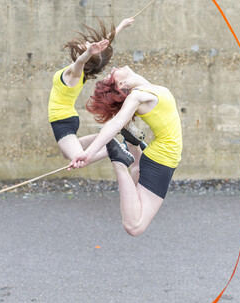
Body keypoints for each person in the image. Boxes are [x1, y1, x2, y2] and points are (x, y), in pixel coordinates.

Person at [70, 66, 182, 236]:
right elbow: (116, 124)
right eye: (111, 74)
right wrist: (88, 153)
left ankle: (130, 148)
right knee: (134, 226)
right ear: (121, 83)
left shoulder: (148, 90)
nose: (113, 68)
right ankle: (120, 163)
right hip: (161, 159)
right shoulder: (137, 96)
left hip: (160, 156)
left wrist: (90, 153)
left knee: (136, 192)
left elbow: (117, 129)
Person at [48, 18, 136, 163]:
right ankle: (111, 137)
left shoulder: (75, 74)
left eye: (89, 47)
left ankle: (114, 149)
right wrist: (122, 25)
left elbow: (80, 61)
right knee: (66, 153)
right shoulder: (79, 71)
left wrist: (89, 52)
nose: (88, 44)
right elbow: (104, 43)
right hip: (65, 118)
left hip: (62, 121)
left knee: (78, 159)